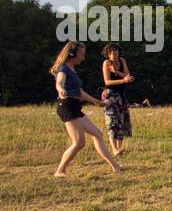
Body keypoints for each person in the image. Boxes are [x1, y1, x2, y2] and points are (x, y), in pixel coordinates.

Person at [50, 41, 122, 177]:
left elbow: (80, 92)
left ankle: (116, 167)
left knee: (98, 134)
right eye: (81, 55)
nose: (83, 58)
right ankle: (60, 171)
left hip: (75, 106)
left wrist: (97, 102)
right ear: (71, 54)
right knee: (79, 142)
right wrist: (61, 89)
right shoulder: (63, 69)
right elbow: (59, 82)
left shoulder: (72, 70)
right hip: (67, 107)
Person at [100, 43, 134, 155]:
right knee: (112, 121)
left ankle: (120, 148)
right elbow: (107, 82)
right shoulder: (106, 63)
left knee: (122, 121)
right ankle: (114, 149)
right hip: (110, 94)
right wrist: (123, 80)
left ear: (119, 52)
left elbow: (128, 76)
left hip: (121, 95)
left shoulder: (122, 61)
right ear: (107, 54)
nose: (113, 54)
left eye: (115, 52)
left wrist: (117, 72)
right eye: (110, 52)